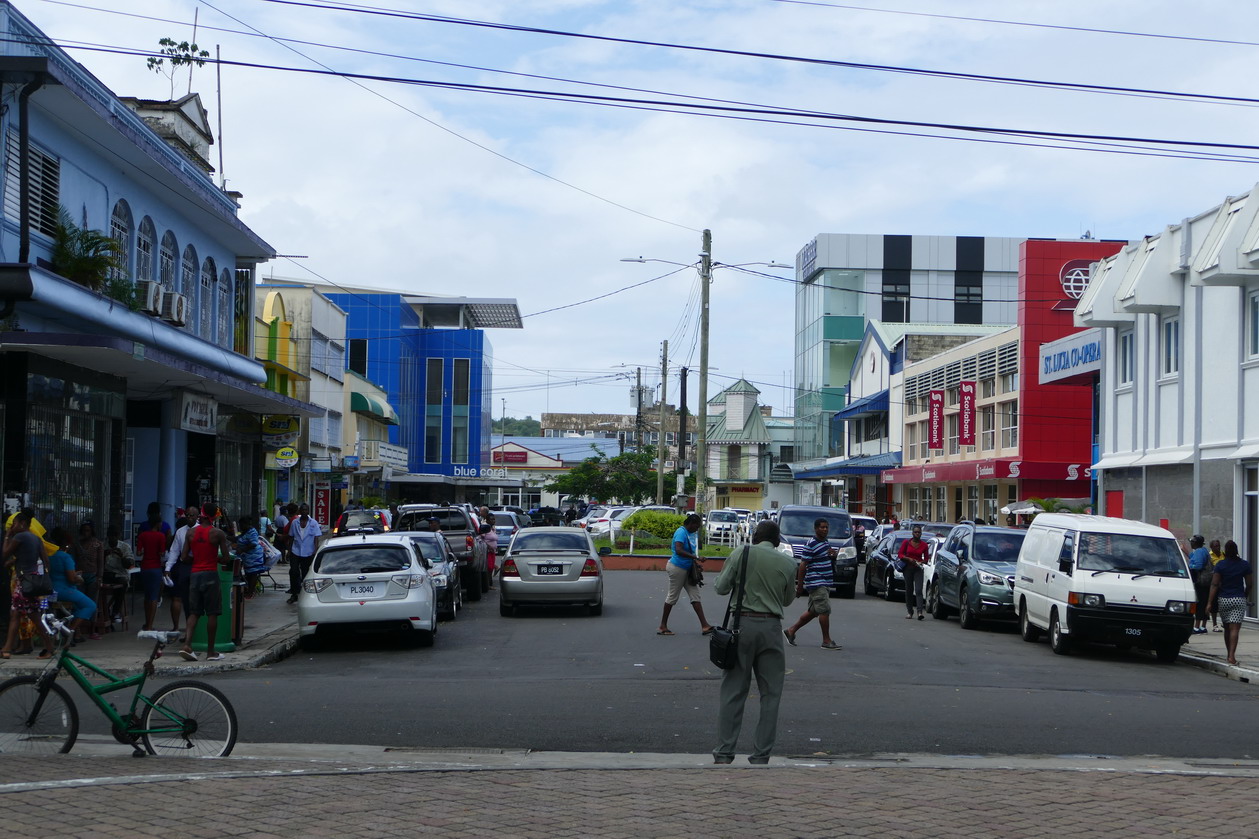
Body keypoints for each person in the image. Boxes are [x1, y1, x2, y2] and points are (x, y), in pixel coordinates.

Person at [711, 520, 797, 765]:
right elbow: (788, 599)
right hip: (771, 627)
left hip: (741, 626)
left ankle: (725, 752)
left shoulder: (742, 552)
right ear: (777, 539)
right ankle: (761, 755)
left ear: (755, 536)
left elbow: (720, 587)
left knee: (733, 692)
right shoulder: (789, 563)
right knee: (771, 694)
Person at [178, 504, 232, 662]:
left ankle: (187, 645)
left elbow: (184, 557)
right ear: (214, 516)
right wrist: (215, 559)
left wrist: (196, 560)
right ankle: (210, 652)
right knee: (212, 613)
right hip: (211, 575)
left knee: (194, 612)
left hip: (195, 574)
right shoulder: (218, 533)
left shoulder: (190, 532)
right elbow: (226, 558)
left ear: (201, 515)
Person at [1, 511, 55, 659]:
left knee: (33, 617)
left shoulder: (19, 536)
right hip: (33, 581)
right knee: (16, 614)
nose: (13, 527)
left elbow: (5, 553)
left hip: (23, 582)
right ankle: (6, 649)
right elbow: (46, 561)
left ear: (22, 524)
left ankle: (49, 648)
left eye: (15, 524)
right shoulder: (36, 539)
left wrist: (7, 535)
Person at [782, 518, 841, 649]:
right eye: (822, 527)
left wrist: (833, 555)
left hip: (825, 581)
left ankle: (791, 631)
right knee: (824, 610)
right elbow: (803, 565)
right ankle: (826, 641)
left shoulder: (825, 542)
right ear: (815, 529)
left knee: (814, 611)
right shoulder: (811, 544)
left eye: (826, 527)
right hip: (816, 581)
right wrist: (800, 585)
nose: (825, 529)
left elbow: (824, 557)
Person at [657, 513, 712, 636]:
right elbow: (678, 550)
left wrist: (695, 563)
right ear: (691, 523)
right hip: (677, 568)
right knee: (672, 597)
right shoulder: (681, 532)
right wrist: (696, 557)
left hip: (687, 569)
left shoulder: (690, 533)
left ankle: (705, 626)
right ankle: (662, 626)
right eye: (696, 526)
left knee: (695, 595)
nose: (697, 529)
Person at [47, 528, 97, 643]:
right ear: (66, 544)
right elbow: (71, 578)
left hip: (52, 590)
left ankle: (74, 632)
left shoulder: (49, 555)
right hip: (65, 590)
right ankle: (70, 630)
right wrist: (79, 578)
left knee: (78, 606)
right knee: (90, 605)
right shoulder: (66, 557)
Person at [1208, 540, 1252, 666]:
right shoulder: (1244, 565)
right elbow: (1249, 584)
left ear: (1225, 551)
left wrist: (1209, 602)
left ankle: (1229, 654)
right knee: (1235, 630)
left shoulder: (1220, 565)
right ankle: (1232, 656)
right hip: (1238, 598)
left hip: (1224, 599)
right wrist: (1245, 595)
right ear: (1236, 550)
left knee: (1227, 628)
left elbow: (1215, 584)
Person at [135, 507, 171, 631]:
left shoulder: (143, 535)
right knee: (154, 597)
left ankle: (146, 623)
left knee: (146, 596)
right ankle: (150, 625)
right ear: (158, 523)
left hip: (144, 567)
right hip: (155, 567)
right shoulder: (161, 536)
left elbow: (139, 553)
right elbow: (162, 553)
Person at [285, 504, 322, 604]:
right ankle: (294, 593)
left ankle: (305, 595)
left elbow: (316, 538)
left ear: (308, 511)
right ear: (300, 512)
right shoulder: (294, 523)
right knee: (294, 572)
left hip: (308, 552)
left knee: (305, 574)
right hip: (295, 551)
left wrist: (315, 551)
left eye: (306, 510)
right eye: (302, 510)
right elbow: (291, 537)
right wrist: (289, 551)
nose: (304, 511)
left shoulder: (313, 523)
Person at [898, 524, 931, 621]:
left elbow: (926, 559)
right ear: (912, 533)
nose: (917, 534)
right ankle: (910, 611)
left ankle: (920, 612)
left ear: (921, 534)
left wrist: (920, 562)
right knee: (909, 590)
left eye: (919, 532)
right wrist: (908, 559)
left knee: (918, 590)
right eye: (915, 532)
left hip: (918, 569)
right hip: (908, 568)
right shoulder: (906, 543)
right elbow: (900, 554)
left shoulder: (924, 545)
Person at [102, 524, 134, 624]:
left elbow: (129, 565)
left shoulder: (125, 547)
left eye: (115, 535)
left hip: (120, 574)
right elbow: (96, 563)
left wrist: (122, 556)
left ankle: (115, 612)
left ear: (118, 536)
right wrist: (103, 555)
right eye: (111, 535)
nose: (113, 538)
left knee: (122, 584)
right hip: (106, 574)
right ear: (108, 536)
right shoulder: (102, 546)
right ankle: (102, 611)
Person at [236, 515, 266, 598]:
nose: (240, 526)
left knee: (252, 574)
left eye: (241, 525)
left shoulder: (252, 531)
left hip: (254, 557)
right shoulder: (244, 532)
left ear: (246, 524)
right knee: (248, 574)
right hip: (248, 557)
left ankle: (250, 592)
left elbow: (253, 544)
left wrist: (242, 549)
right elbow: (238, 538)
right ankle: (249, 590)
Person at [1187, 535, 1211, 634]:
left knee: (1199, 603)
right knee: (1204, 602)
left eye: (1192, 542)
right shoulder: (1204, 551)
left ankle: (1196, 626)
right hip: (1206, 582)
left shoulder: (1199, 552)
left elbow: (1198, 566)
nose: (1190, 543)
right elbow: (1194, 558)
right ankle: (1203, 626)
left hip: (1200, 581)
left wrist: (1189, 566)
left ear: (1196, 543)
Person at [1208, 539, 1225, 631]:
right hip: (1214, 582)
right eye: (1215, 546)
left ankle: (1224, 622)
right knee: (1214, 604)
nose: (1217, 547)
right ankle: (1214, 624)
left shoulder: (1224, 554)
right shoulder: (1209, 556)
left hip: (1224, 582)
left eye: (1218, 545)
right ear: (1211, 547)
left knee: (1223, 603)